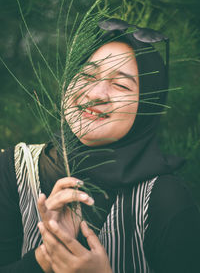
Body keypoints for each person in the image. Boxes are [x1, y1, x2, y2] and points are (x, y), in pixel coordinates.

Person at [0, 18, 200, 273]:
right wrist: (45, 257)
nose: (96, 93)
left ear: (146, 110)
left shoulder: (164, 199)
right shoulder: (15, 169)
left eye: (120, 85)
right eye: (87, 74)